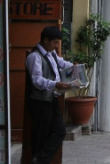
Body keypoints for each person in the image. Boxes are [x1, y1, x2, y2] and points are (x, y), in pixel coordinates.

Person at [26, 26, 74, 164]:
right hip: (40, 101)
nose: (56, 46)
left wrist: (75, 67)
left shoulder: (51, 53)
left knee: (59, 130)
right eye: (54, 43)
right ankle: (38, 159)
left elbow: (61, 63)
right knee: (40, 135)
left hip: (52, 99)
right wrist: (55, 84)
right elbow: (37, 81)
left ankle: (39, 159)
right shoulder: (35, 57)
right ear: (45, 40)